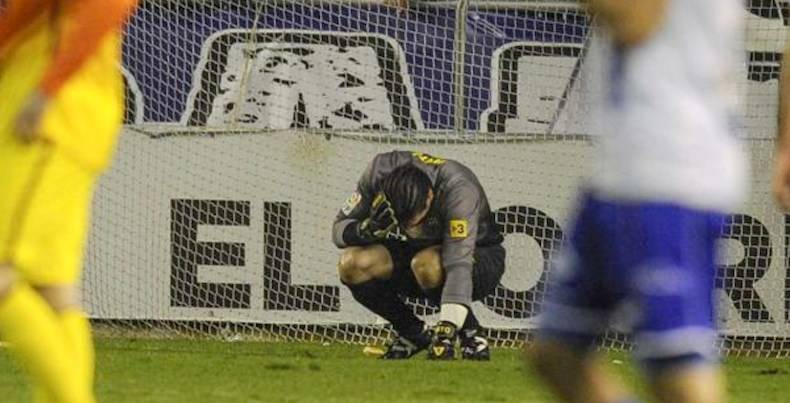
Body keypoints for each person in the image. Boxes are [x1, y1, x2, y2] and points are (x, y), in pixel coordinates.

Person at [530, 1, 747, 402]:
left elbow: (635, 20)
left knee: (677, 375)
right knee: (556, 354)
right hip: (622, 169)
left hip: (669, 172)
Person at [0, 0, 138, 401]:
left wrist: (46, 91)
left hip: (51, 117)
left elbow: (106, 7)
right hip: (53, 112)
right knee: (51, 290)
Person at [332, 151, 505, 360]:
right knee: (352, 264)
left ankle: (471, 334)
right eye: (403, 223)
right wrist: (364, 230)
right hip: (418, 258)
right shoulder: (377, 172)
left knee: (427, 263)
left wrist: (447, 327)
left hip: (478, 258)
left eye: (419, 220)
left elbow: (458, 263)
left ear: (430, 196)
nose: (412, 229)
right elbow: (338, 230)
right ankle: (413, 333)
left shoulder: (458, 188)